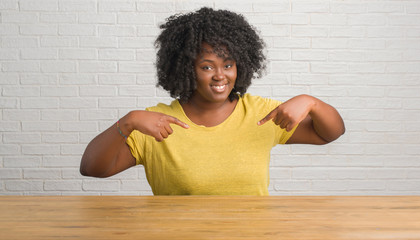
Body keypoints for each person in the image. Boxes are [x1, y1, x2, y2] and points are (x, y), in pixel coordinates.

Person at [80, 7, 345, 195]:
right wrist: (128, 122)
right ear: (186, 68)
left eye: (228, 65)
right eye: (207, 67)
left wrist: (312, 102)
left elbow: (330, 134)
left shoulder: (260, 113)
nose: (220, 75)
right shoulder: (155, 124)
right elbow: (93, 168)